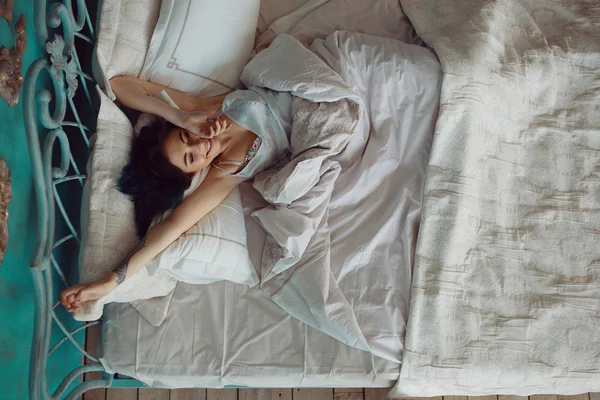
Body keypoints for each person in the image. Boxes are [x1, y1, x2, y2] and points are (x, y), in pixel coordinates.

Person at [60, 75, 293, 312]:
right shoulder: (226, 173)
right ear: (192, 174)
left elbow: (117, 85)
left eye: (186, 137)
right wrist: (109, 282)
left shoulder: (204, 107)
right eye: (191, 158)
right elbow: (172, 227)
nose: (201, 145)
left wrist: (180, 117)